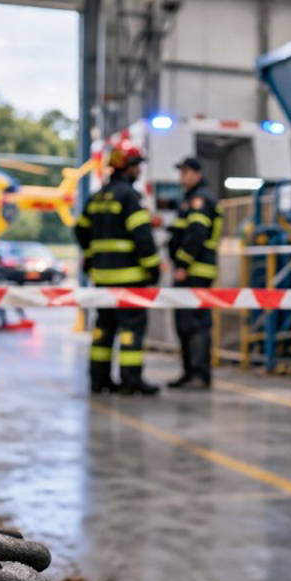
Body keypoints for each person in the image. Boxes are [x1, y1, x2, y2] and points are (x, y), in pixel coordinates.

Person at [75, 145, 161, 396]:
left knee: (103, 328)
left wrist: (91, 257)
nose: (139, 170)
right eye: (137, 165)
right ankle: (130, 381)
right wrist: (152, 267)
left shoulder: (98, 196)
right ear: (128, 167)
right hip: (130, 278)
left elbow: (80, 229)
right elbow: (142, 236)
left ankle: (98, 379)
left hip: (102, 279)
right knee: (131, 330)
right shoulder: (129, 197)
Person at [166, 157, 220, 389]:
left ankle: (199, 375)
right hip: (189, 271)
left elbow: (196, 234)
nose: (182, 178)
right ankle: (189, 373)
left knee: (196, 325)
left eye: (186, 173)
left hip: (196, 271)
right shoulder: (188, 200)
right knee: (185, 325)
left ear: (197, 174)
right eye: (181, 173)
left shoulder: (201, 200)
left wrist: (183, 265)